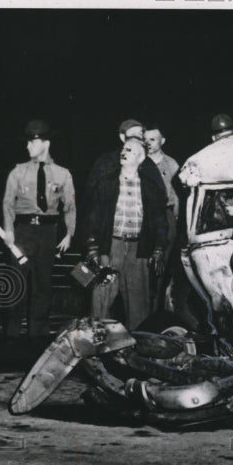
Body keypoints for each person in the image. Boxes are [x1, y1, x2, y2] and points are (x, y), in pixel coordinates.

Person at [0, 120, 76, 350]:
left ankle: (38, 337)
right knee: (18, 282)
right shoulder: (18, 171)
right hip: (22, 233)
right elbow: (7, 203)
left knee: (43, 284)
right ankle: (11, 334)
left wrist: (69, 234)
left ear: (46, 143)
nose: (28, 147)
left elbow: (70, 206)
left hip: (48, 233)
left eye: (33, 142)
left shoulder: (63, 174)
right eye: (28, 142)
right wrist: (9, 231)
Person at [81, 136, 168, 329]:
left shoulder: (151, 188)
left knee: (139, 306)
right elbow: (91, 218)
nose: (123, 152)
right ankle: (97, 346)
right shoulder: (106, 183)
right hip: (111, 247)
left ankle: (136, 347)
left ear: (141, 157)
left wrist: (158, 249)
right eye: (123, 148)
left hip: (139, 251)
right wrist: (93, 249)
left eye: (129, 150)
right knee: (101, 300)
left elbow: (159, 222)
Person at [143, 123, 180, 309]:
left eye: (152, 139)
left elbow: (177, 197)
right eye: (145, 139)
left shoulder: (171, 164)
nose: (148, 143)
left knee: (161, 264)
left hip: (166, 216)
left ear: (162, 141)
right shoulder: (139, 162)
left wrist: (176, 221)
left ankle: (157, 308)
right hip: (144, 216)